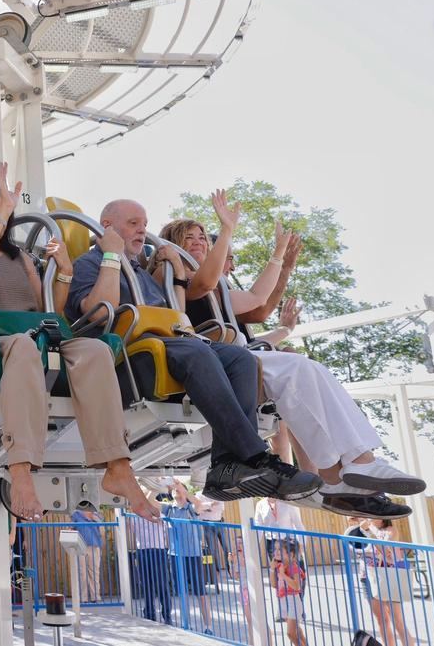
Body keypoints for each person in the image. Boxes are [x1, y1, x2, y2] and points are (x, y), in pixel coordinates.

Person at [161, 212, 424, 517]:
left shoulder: (211, 284)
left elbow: (257, 303)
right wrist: (269, 253)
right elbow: (256, 300)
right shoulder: (178, 274)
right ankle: (348, 467)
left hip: (236, 357)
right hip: (220, 360)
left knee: (308, 370)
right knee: (298, 369)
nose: (198, 243)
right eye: (188, 238)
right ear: (174, 245)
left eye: (202, 238)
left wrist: (282, 264)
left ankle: (348, 468)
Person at [0, 168, 161, 523]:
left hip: (35, 334)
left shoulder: (21, 258)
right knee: (24, 349)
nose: (4, 210)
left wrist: (63, 273)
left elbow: (51, 310)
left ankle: (118, 466)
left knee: (95, 351)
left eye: (6, 206)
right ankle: (21, 471)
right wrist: (1, 218)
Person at [65, 199, 321, 502]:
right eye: (134, 223)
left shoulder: (140, 271)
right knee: (196, 352)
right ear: (106, 226)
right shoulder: (88, 263)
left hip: (169, 342)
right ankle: (256, 456)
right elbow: (97, 312)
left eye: (144, 225)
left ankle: (225, 467)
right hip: (127, 355)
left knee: (241, 359)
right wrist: (110, 253)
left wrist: (175, 270)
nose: (142, 231)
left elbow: (175, 313)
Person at [163, 480, 214, 636]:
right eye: (174, 490)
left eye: (179, 490)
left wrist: (180, 486)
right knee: (182, 593)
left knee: (201, 594)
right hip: (175, 556)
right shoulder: (169, 508)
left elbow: (198, 503)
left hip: (193, 555)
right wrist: (157, 486)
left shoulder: (191, 508)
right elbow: (151, 502)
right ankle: (187, 624)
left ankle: (209, 626)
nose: (176, 491)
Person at [367, 519, 414, 646]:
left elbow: (386, 551)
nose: (370, 517)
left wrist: (368, 532)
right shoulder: (368, 527)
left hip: (391, 574)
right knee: (381, 619)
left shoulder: (391, 530)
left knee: (396, 618)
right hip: (373, 575)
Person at [132, 490, 172, 624]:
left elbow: (166, 526)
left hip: (158, 551)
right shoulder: (135, 516)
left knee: (162, 585)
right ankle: (149, 613)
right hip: (143, 551)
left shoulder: (159, 514)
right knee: (146, 584)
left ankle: (167, 614)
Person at [273, 539, 307, 645]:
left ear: (290, 554)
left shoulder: (294, 567)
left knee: (290, 633)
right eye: (275, 549)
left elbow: (297, 586)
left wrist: (283, 575)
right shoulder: (280, 566)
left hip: (293, 602)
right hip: (284, 602)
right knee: (295, 630)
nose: (276, 552)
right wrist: (271, 569)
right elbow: (274, 584)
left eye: (280, 549)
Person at [70, 501, 105, 602]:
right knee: (82, 573)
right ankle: (83, 598)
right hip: (80, 546)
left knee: (94, 573)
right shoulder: (76, 514)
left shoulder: (96, 514)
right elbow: (71, 528)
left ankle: (96, 597)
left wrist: (95, 518)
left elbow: (102, 529)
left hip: (95, 546)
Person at [195, 490, 229, 586]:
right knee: (212, 550)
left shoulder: (217, 492)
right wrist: (210, 505)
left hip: (219, 522)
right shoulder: (199, 494)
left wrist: (207, 507)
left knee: (227, 548)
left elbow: (221, 508)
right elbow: (199, 508)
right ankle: (216, 573)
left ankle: (231, 569)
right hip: (207, 524)